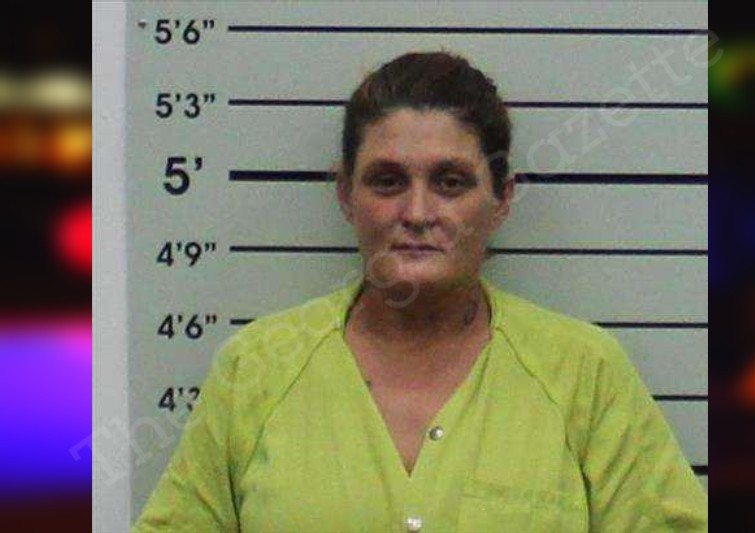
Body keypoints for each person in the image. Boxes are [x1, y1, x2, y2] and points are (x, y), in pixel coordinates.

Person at [133, 51, 708, 532]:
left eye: (450, 182)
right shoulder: (256, 369)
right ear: (345, 194)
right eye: (387, 181)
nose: (417, 212)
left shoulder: (583, 373)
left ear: (502, 199)